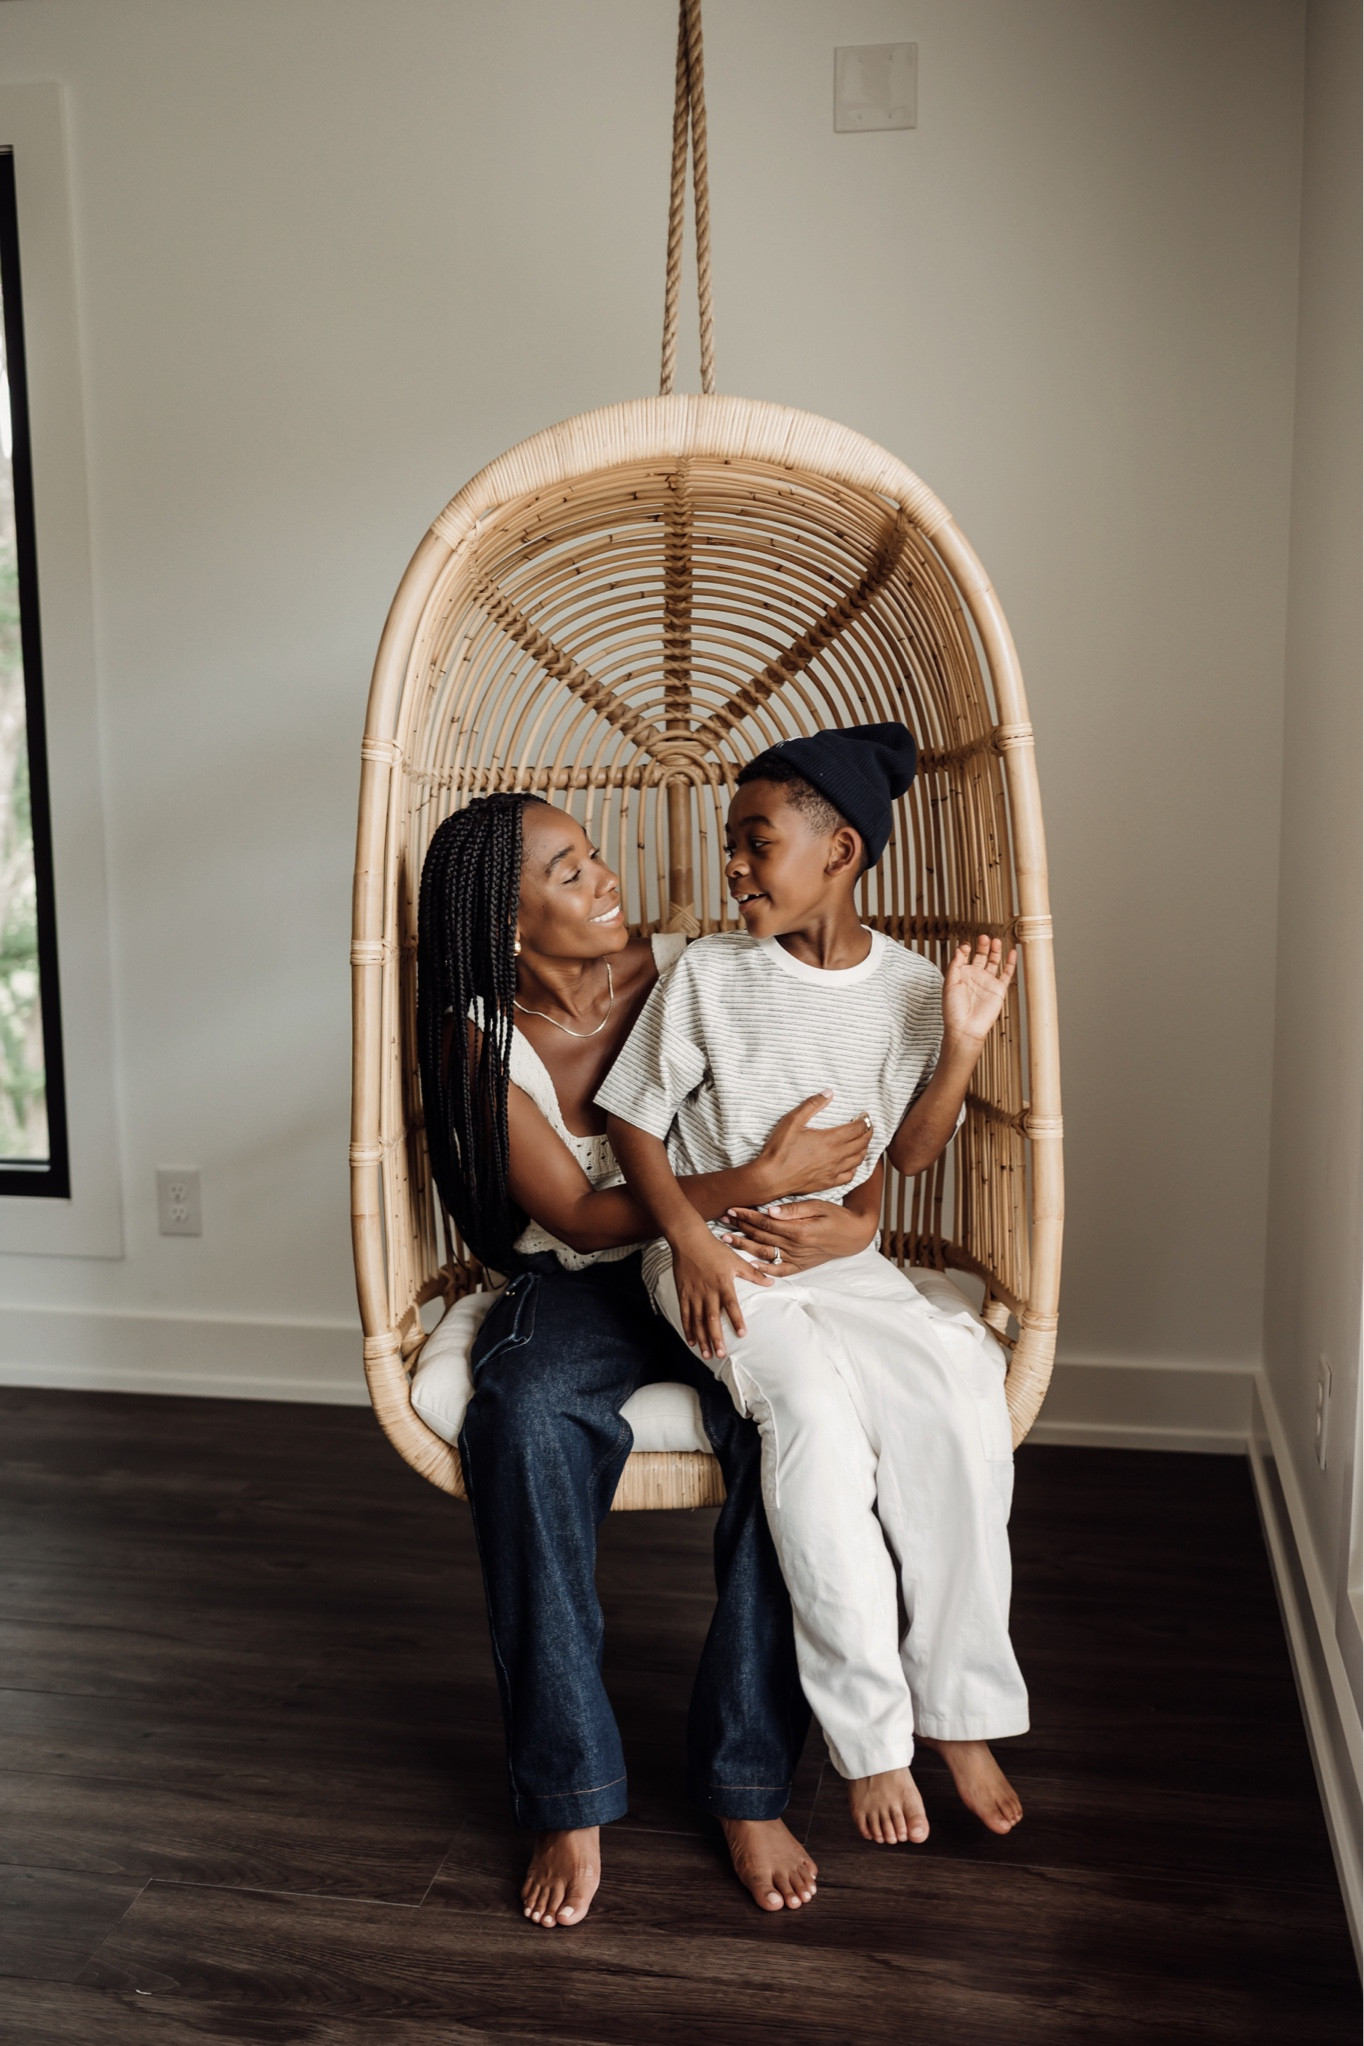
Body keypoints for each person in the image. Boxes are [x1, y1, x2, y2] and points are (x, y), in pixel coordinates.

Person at [416, 791, 885, 1928]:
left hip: (717, 1264)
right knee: (520, 1414)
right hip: (578, 1283)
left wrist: (841, 1214)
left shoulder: (703, 967)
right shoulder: (477, 1037)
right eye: (568, 874)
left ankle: (748, 1783)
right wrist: (752, 1181)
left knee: (791, 1427)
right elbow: (576, 1216)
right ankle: (566, 1794)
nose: (606, 878)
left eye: (592, 853)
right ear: (507, 929)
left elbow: (849, 1076)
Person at [599, 725, 1029, 1851]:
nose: (733, 867)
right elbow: (632, 1124)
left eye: (755, 843)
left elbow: (913, 1153)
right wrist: (690, 1244)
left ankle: (961, 1713)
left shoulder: (902, 988)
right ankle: (872, 1740)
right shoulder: (708, 974)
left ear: (839, 850)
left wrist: (963, 1045)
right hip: (720, 1254)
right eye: (731, 844)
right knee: (819, 1433)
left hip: (843, 1260)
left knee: (955, 1394)